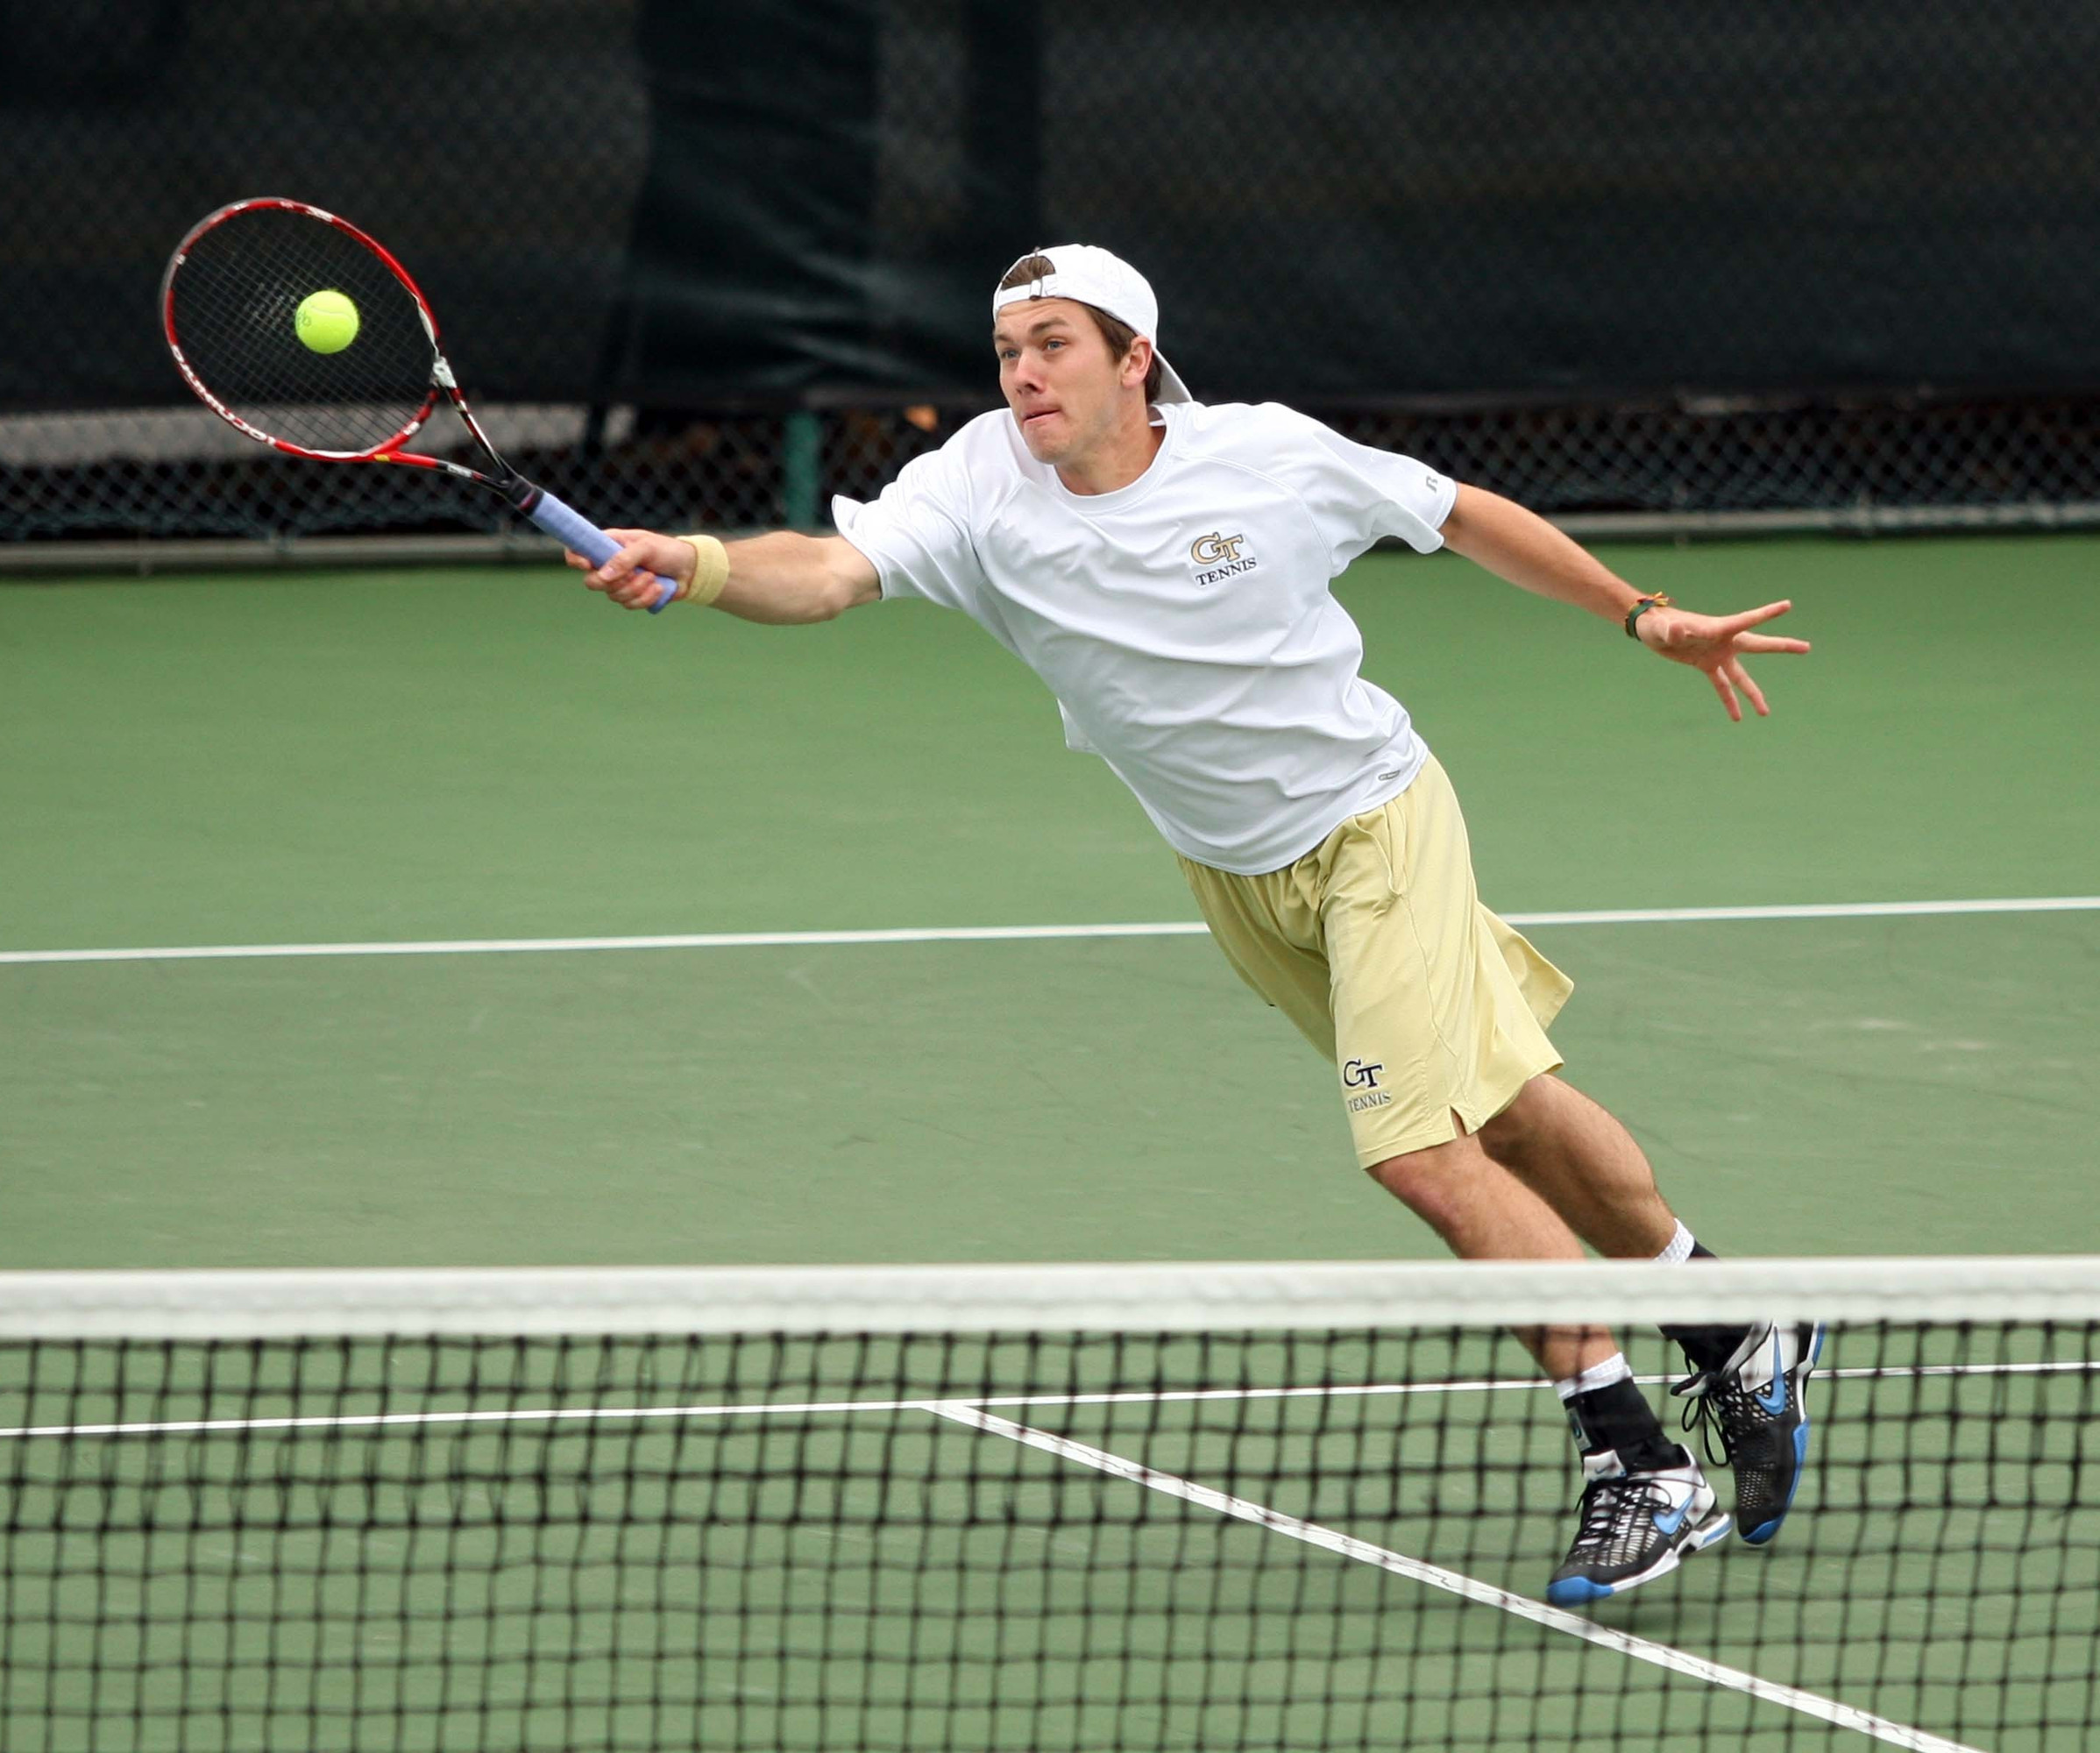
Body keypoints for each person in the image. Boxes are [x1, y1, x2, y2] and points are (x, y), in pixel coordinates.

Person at [568, 245, 1822, 1603]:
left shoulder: (1264, 459)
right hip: (1233, 873)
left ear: (1133, 359)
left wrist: (1642, 615)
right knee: (1511, 1109)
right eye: (1007, 349)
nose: (1024, 373)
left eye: (1054, 343)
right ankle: (1734, 1318)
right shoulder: (978, 481)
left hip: (1376, 827)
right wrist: (694, 564)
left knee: (1418, 1147)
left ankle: (1633, 1457)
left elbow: (1456, 513)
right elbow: (822, 570)